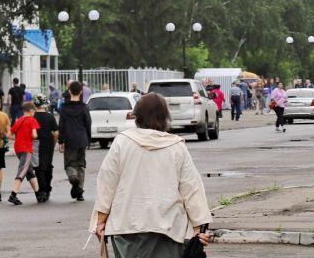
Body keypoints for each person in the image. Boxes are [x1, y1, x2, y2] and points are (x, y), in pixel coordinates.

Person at [92, 92, 212, 258]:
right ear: (165, 117)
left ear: (137, 117)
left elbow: (107, 182)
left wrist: (100, 220)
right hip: (169, 228)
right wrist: (198, 227)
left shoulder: (122, 142)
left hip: (127, 226)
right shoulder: (176, 147)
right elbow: (192, 189)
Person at [60, 80, 92, 202]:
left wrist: (60, 141)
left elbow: (61, 125)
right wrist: (88, 140)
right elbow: (88, 123)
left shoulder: (64, 108)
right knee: (81, 164)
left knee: (69, 163)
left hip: (69, 139)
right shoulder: (84, 107)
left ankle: (73, 177)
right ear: (80, 92)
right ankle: (80, 192)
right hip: (82, 138)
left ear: (69, 91)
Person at [8, 95, 41, 205]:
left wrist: (19, 137)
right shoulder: (32, 120)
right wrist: (32, 137)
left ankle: (38, 194)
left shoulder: (19, 120)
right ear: (31, 111)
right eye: (34, 111)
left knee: (29, 171)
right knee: (22, 170)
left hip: (17, 148)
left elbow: (9, 134)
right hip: (26, 148)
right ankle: (13, 194)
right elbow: (34, 135)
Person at [32, 94, 58, 203]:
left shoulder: (32, 117)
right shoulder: (50, 116)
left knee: (38, 167)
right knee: (48, 165)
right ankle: (47, 189)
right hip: (49, 143)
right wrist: (54, 142)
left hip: (36, 143)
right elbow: (56, 132)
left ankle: (42, 190)